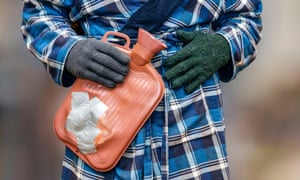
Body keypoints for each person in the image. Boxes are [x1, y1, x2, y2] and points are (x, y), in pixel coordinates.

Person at [21, 0, 262, 179]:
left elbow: (246, 17)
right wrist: (70, 51)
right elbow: (39, 12)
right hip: (104, 105)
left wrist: (224, 45)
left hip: (191, 120)